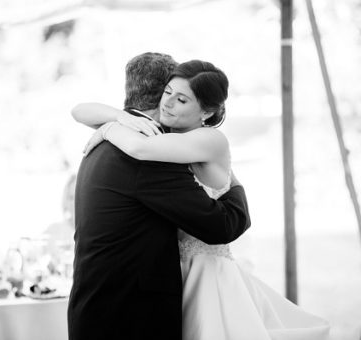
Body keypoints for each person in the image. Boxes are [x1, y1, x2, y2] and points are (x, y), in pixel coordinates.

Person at [73, 58, 329, 339]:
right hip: (162, 285)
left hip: (206, 270)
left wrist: (108, 127)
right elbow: (79, 110)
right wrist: (117, 119)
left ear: (206, 111)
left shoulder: (199, 140)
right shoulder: (164, 141)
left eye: (181, 99)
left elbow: (140, 148)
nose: (168, 103)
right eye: (167, 93)